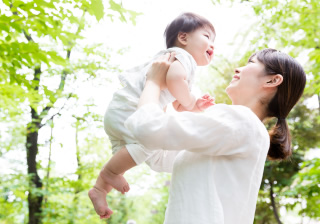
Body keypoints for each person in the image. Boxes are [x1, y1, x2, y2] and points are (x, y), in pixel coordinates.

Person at [121, 48, 306, 223]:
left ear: (272, 81)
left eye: (251, 62)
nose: (238, 68)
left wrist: (153, 82)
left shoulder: (242, 121)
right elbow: (160, 158)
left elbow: (148, 128)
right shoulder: (244, 129)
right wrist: (165, 101)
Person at [88, 12, 215, 218]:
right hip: (131, 111)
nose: (212, 45)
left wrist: (191, 106)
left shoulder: (171, 59)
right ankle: (109, 174)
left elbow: (175, 102)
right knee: (150, 142)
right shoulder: (183, 57)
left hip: (121, 111)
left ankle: (100, 189)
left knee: (126, 155)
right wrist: (191, 101)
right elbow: (175, 80)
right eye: (207, 37)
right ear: (183, 38)